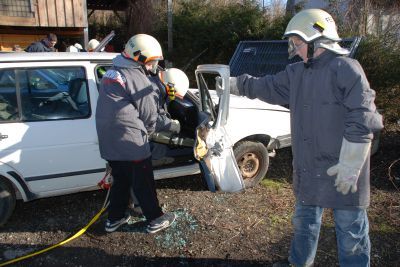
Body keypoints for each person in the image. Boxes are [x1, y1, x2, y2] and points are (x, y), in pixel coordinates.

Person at [223, 9, 383, 267]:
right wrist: (234, 84)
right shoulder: (296, 73)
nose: (294, 49)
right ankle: (298, 263)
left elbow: (364, 117)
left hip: (342, 169)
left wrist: (351, 164)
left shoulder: (346, 69)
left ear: (317, 41)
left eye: (298, 43)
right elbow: (269, 86)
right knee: (304, 222)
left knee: (350, 230)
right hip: (309, 166)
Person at [95, 34, 176, 234]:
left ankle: (114, 219)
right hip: (131, 144)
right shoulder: (137, 78)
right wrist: (147, 135)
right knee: (144, 184)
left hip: (109, 141)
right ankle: (156, 219)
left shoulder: (113, 72)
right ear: (139, 58)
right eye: (152, 62)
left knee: (120, 182)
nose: (153, 66)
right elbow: (149, 115)